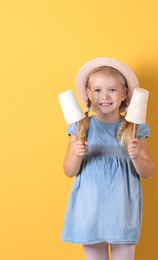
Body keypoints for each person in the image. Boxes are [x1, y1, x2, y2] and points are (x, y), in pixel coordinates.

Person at [61, 57, 153, 260]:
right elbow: (69, 171)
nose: (105, 96)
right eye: (97, 90)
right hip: (89, 210)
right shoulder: (81, 127)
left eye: (112, 90)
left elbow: (147, 172)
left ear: (124, 94)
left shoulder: (134, 128)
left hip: (123, 211)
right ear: (87, 94)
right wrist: (76, 155)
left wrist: (136, 157)